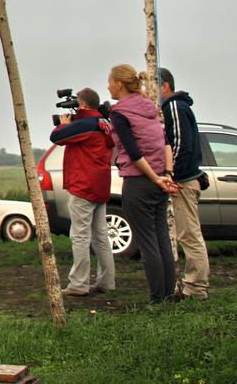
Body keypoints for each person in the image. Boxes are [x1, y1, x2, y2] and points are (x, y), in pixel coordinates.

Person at [108, 64, 179, 304]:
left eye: (110, 81)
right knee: (162, 240)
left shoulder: (119, 113)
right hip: (160, 179)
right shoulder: (150, 107)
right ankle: (169, 294)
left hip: (140, 183)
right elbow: (166, 143)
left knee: (147, 243)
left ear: (118, 84)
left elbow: (133, 151)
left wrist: (153, 177)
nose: (108, 86)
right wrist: (165, 175)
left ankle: (157, 298)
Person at [50, 88, 116, 297]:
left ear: (84, 105)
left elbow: (57, 137)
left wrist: (64, 124)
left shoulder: (85, 124)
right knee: (101, 237)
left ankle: (79, 283)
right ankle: (107, 281)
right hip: (100, 184)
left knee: (79, 236)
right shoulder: (104, 123)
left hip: (83, 184)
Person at [161, 68, 210, 301]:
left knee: (189, 235)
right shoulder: (179, 107)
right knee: (187, 234)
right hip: (187, 178)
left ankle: (196, 288)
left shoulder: (173, 107)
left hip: (182, 181)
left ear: (165, 86)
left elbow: (179, 143)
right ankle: (190, 285)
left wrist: (171, 174)